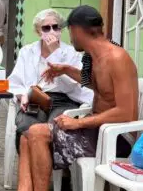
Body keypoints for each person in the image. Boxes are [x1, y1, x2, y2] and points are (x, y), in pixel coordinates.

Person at [0, 5, 139, 191]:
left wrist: (80, 123)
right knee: (27, 135)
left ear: (76, 30)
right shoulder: (92, 56)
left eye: (65, 30)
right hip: (95, 130)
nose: (65, 36)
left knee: (38, 133)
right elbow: (92, 84)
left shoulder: (117, 57)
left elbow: (127, 113)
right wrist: (66, 70)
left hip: (113, 138)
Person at [8, 9, 92, 149]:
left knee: (53, 129)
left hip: (64, 100)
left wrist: (55, 52)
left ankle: (52, 167)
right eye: (46, 28)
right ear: (38, 32)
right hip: (36, 99)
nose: (52, 31)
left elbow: (71, 84)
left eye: (56, 27)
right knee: (26, 127)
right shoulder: (27, 52)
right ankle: (30, 167)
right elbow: (15, 81)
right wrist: (23, 95)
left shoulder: (71, 52)